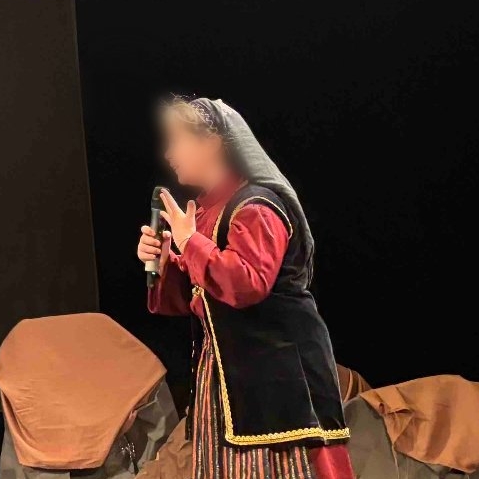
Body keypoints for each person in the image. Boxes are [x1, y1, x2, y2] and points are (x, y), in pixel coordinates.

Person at [139, 97, 352, 479]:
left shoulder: (255, 206)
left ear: (213, 142)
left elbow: (246, 283)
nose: (169, 153)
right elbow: (201, 295)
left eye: (178, 140)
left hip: (278, 376)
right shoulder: (209, 211)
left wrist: (190, 242)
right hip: (231, 374)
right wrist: (169, 260)